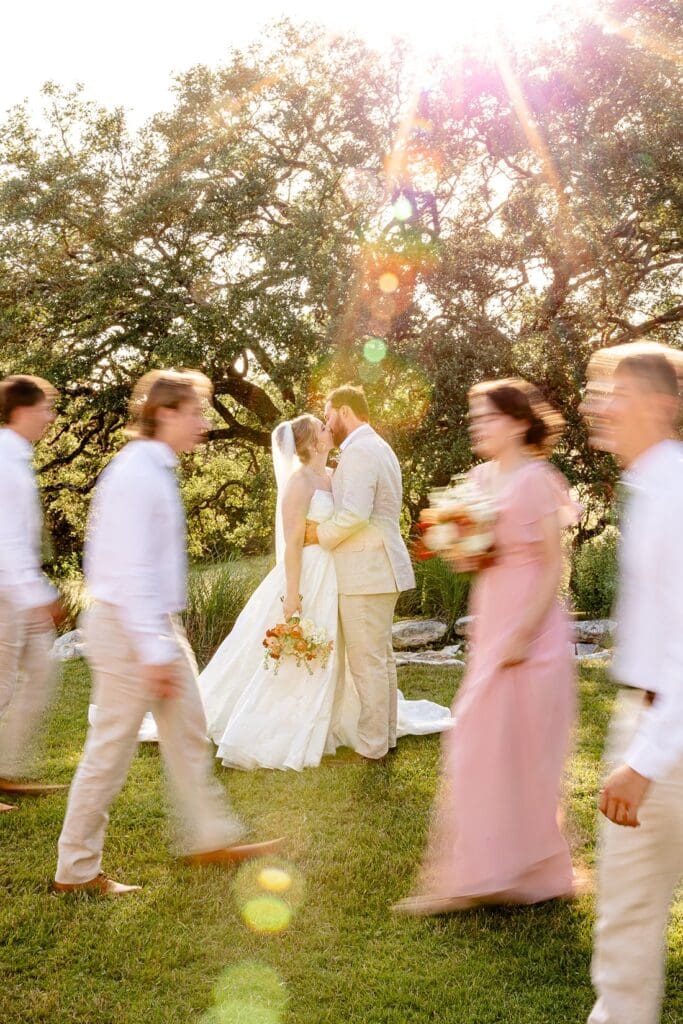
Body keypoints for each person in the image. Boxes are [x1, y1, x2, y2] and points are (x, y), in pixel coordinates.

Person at [54, 370, 280, 896]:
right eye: (196, 412)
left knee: (189, 730)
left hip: (154, 624)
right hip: (131, 627)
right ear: (166, 414)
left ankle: (207, 837)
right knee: (110, 749)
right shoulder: (137, 472)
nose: (202, 423)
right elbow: (125, 570)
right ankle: (76, 871)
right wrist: (152, 648)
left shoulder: (155, 468)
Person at [395, 378, 580, 914]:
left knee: (519, 746)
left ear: (520, 421)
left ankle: (514, 873)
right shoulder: (479, 477)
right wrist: (459, 544)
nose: (478, 424)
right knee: (480, 740)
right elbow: (480, 554)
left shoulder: (539, 480)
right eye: (475, 415)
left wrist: (523, 633)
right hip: (495, 616)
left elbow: (552, 564)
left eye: (488, 416)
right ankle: (489, 871)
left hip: (530, 627)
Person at [199, 412, 451, 772]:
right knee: (305, 649)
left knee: (338, 650)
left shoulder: (335, 475)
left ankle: (338, 720)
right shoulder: (298, 483)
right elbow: (291, 543)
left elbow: (353, 515)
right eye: (321, 427)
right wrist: (292, 592)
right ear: (310, 443)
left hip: (340, 574)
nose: (328, 428)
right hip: (309, 573)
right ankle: (286, 723)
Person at [581, 342, 683, 1024]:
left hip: (663, 732)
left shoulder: (672, 497)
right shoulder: (650, 488)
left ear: (656, 404)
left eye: (612, 393)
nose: (597, 407)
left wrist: (643, 761)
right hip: (648, 715)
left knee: (624, 927)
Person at [306, 385, 418, 761]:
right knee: (380, 659)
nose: (326, 423)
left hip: (367, 570)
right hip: (381, 568)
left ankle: (372, 746)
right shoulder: (378, 447)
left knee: (366, 662)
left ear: (345, 411)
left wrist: (316, 535)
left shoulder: (358, 451)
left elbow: (353, 514)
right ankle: (384, 737)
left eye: (328, 414)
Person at [0, 375, 66, 813]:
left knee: (40, 673)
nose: (50, 417)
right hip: (6, 592)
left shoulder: (17, 456)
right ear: (23, 410)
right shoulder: (5, 459)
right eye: (45, 409)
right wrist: (38, 594)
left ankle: (4, 767)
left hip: (18, 590)